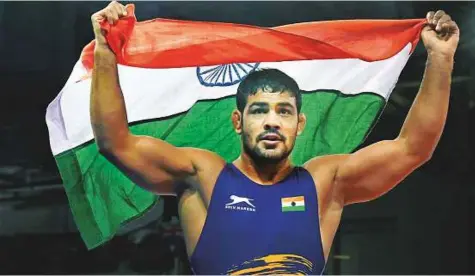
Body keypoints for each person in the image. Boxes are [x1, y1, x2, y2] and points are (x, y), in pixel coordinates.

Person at [90, 1, 459, 274]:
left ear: (299, 124)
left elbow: (413, 148)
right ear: (238, 121)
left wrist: (440, 60)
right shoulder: (202, 176)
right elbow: (115, 142)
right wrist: (106, 53)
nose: (271, 122)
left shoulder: (323, 183)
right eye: (259, 110)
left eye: (283, 111)